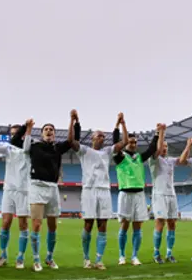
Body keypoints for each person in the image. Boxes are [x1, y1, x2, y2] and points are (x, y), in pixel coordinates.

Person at [12, 110, 77, 272]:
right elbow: (14, 140)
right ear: (41, 134)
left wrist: (72, 121)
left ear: (54, 134)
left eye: (51, 130)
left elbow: (71, 140)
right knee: (36, 224)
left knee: (53, 226)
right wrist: (25, 127)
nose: (49, 131)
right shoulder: (33, 145)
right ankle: (36, 259)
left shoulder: (57, 148)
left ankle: (49, 256)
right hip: (37, 186)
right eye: (46, 129)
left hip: (53, 188)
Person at [71, 113, 125, 269]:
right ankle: (86, 259)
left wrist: (121, 123)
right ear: (92, 138)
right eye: (99, 136)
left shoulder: (108, 151)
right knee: (88, 224)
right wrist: (73, 121)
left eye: (103, 136)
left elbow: (125, 142)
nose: (102, 138)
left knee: (103, 225)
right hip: (89, 190)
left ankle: (99, 260)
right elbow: (71, 141)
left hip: (104, 191)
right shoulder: (84, 150)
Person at [112, 116, 158, 266]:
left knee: (138, 226)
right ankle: (121, 256)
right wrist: (119, 125)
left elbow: (151, 149)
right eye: (130, 142)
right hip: (125, 194)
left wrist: (157, 133)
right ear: (126, 143)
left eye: (135, 142)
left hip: (139, 194)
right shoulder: (120, 157)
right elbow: (115, 143)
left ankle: (134, 256)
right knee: (124, 225)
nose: (133, 144)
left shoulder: (139, 157)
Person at [0, 124, 31, 269]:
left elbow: (30, 148)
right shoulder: (8, 147)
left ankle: (20, 257)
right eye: (12, 133)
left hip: (24, 190)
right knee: (6, 222)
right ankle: (3, 255)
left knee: (23, 224)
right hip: (8, 189)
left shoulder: (29, 146)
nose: (14, 136)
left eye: (17, 133)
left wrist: (28, 130)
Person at [149, 123, 180, 264]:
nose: (165, 149)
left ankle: (169, 253)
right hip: (159, 194)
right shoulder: (154, 160)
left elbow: (183, 160)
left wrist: (189, 145)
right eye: (163, 146)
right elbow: (158, 148)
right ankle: (156, 253)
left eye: (167, 147)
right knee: (160, 222)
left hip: (171, 195)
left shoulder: (170, 161)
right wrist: (161, 132)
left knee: (172, 223)